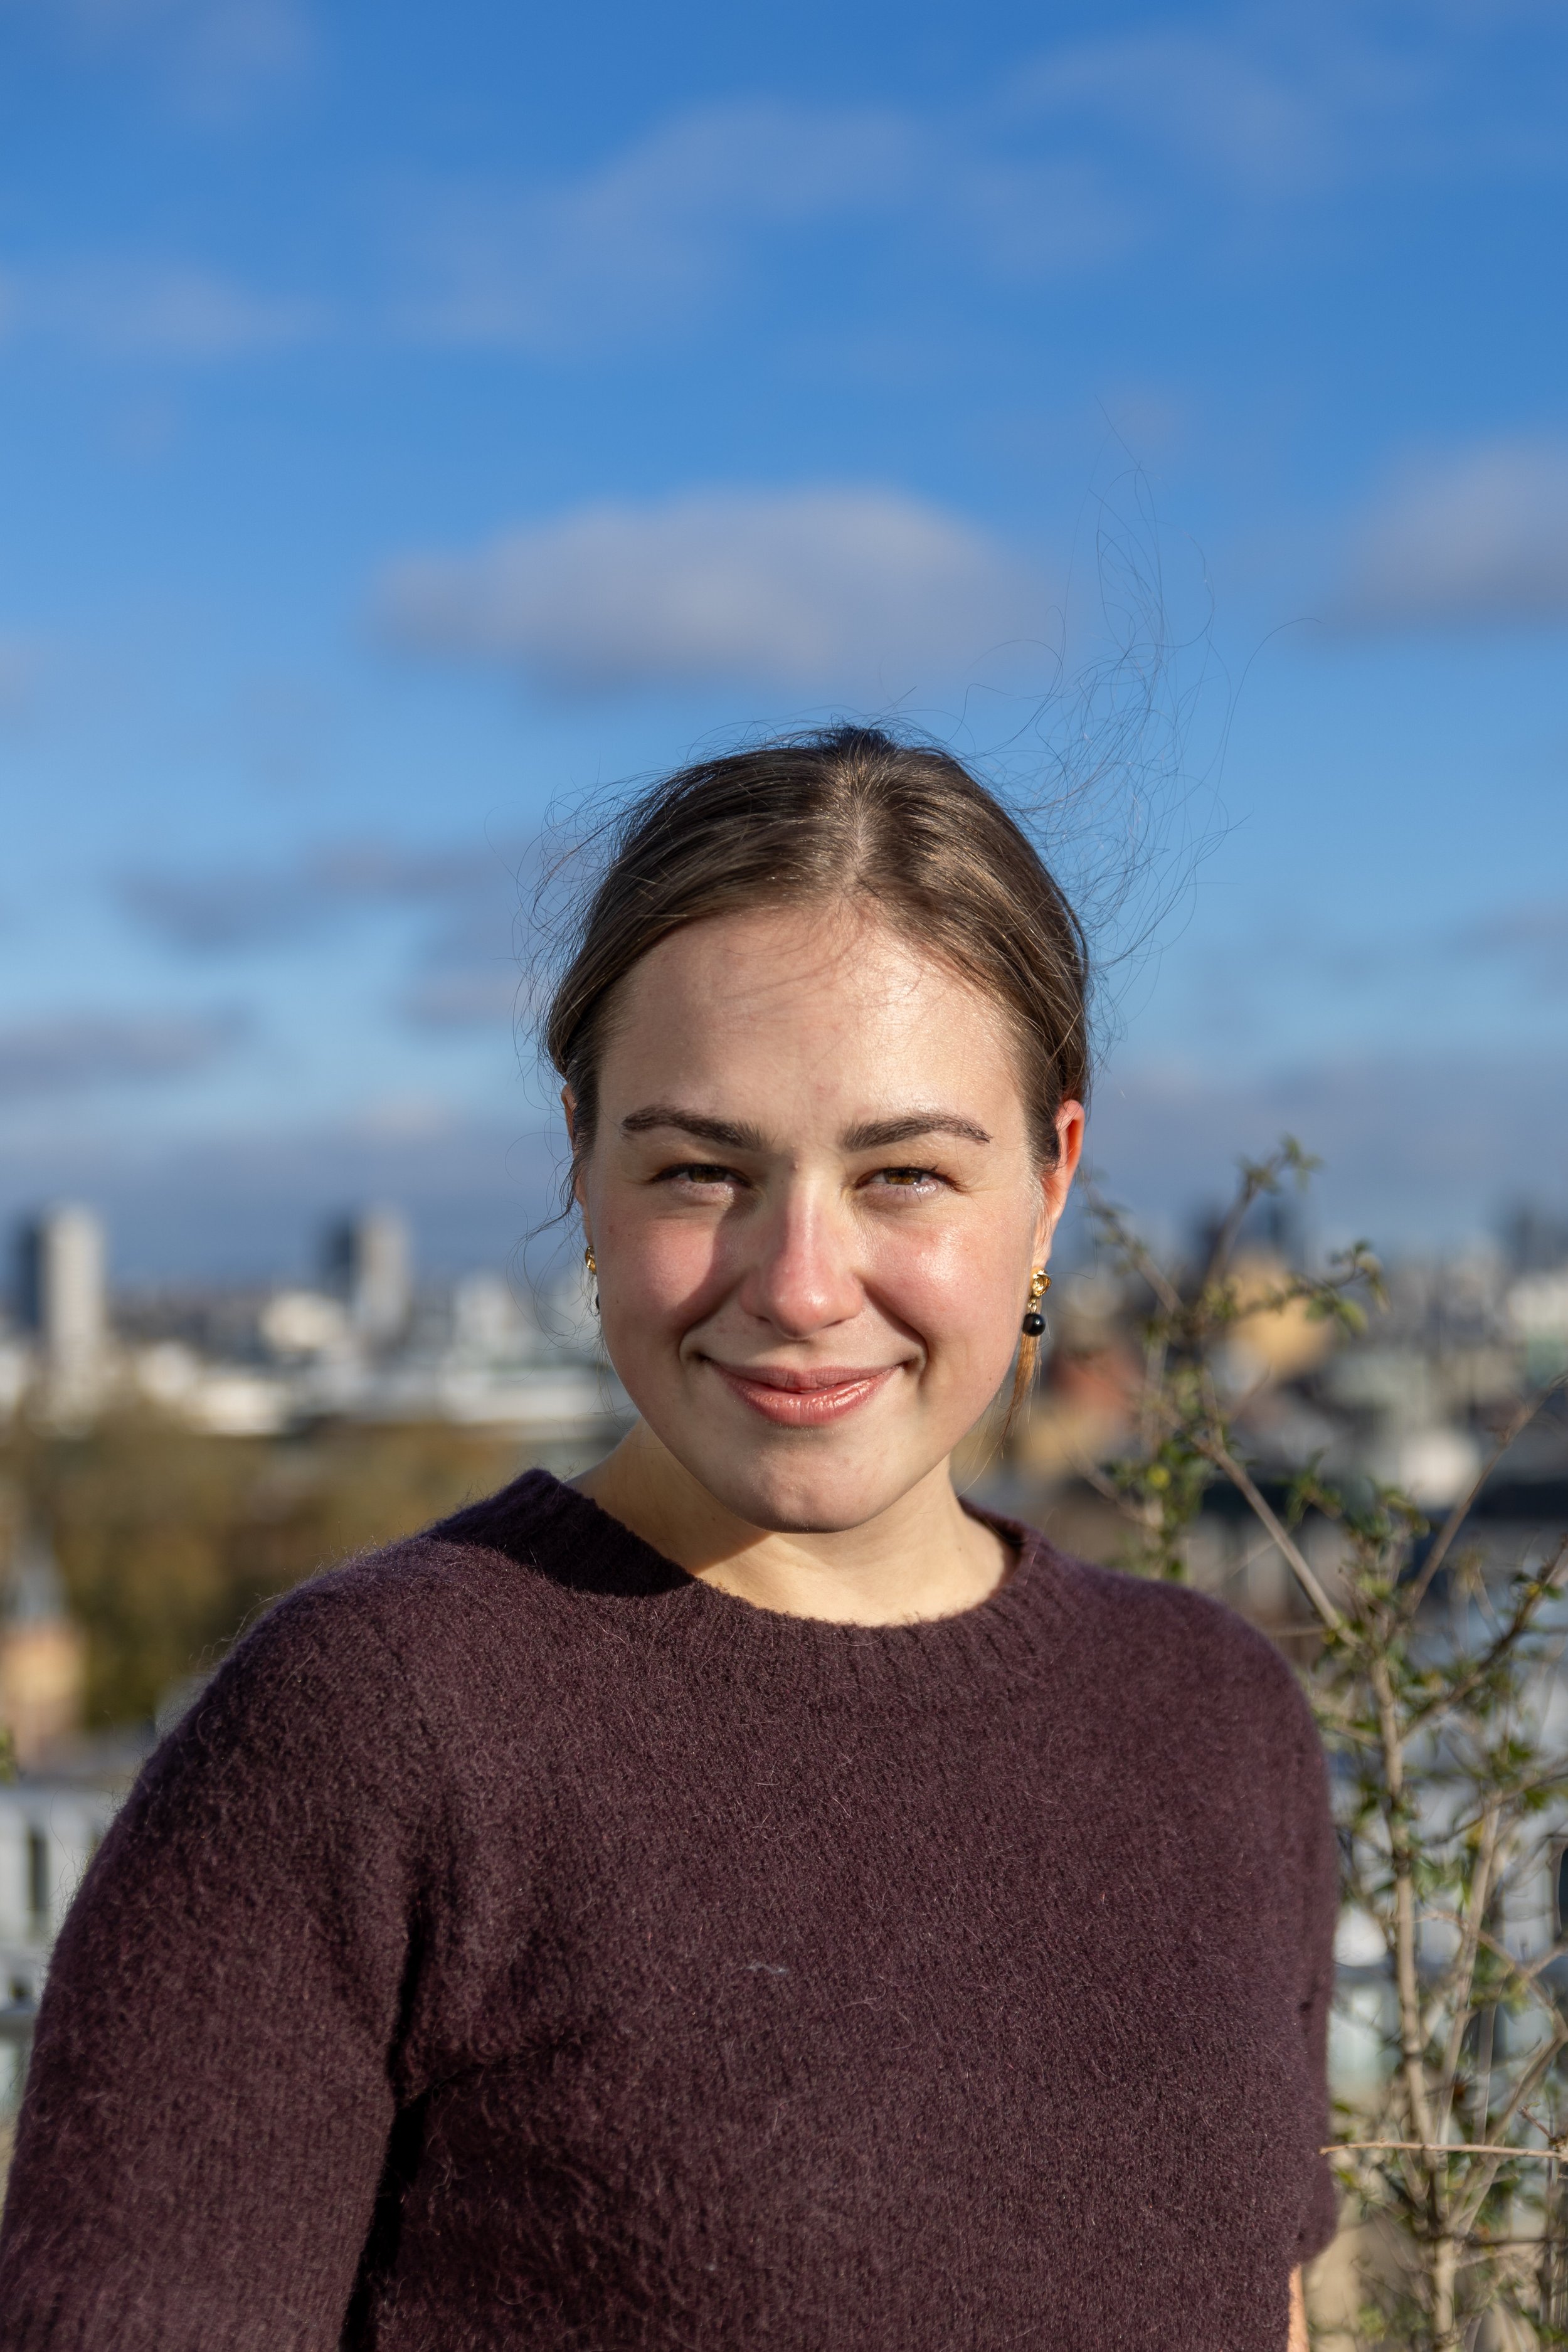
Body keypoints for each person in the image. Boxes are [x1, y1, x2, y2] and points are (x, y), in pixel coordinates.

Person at [0, 726, 1335, 2351]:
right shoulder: (376, 1726)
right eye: (703, 1170)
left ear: (1051, 1182)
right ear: (580, 1164)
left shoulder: (1214, 1720)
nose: (799, 1284)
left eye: (905, 1173)